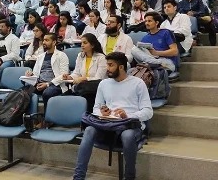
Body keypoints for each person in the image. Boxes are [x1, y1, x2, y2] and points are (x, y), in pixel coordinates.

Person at [73, 52, 152, 180]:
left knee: (127, 135)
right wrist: (102, 112)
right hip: (108, 124)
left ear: (121, 67)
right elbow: (96, 108)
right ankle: (78, 177)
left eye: (111, 65)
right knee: (89, 130)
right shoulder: (104, 84)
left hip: (130, 125)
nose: (107, 68)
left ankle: (130, 177)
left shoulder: (138, 83)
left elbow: (148, 111)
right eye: (107, 65)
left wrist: (128, 115)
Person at [24, 33, 69, 109]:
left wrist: (48, 84)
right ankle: (27, 118)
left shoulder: (62, 55)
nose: (44, 42)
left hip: (54, 85)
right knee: (23, 91)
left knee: (47, 93)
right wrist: (31, 75)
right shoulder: (40, 56)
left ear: (54, 42)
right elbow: (36, 74)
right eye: (44, 40)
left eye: (47, 40)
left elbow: (63, 76)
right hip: (39, 84)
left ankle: (46, 119)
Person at [0, 20, 21, 85]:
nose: (0, 28)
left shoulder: (14, 39)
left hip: (9, 60)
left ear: (8, 28)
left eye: (2, 27)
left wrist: (1, 59)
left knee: (2, 67)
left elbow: (15, 54)